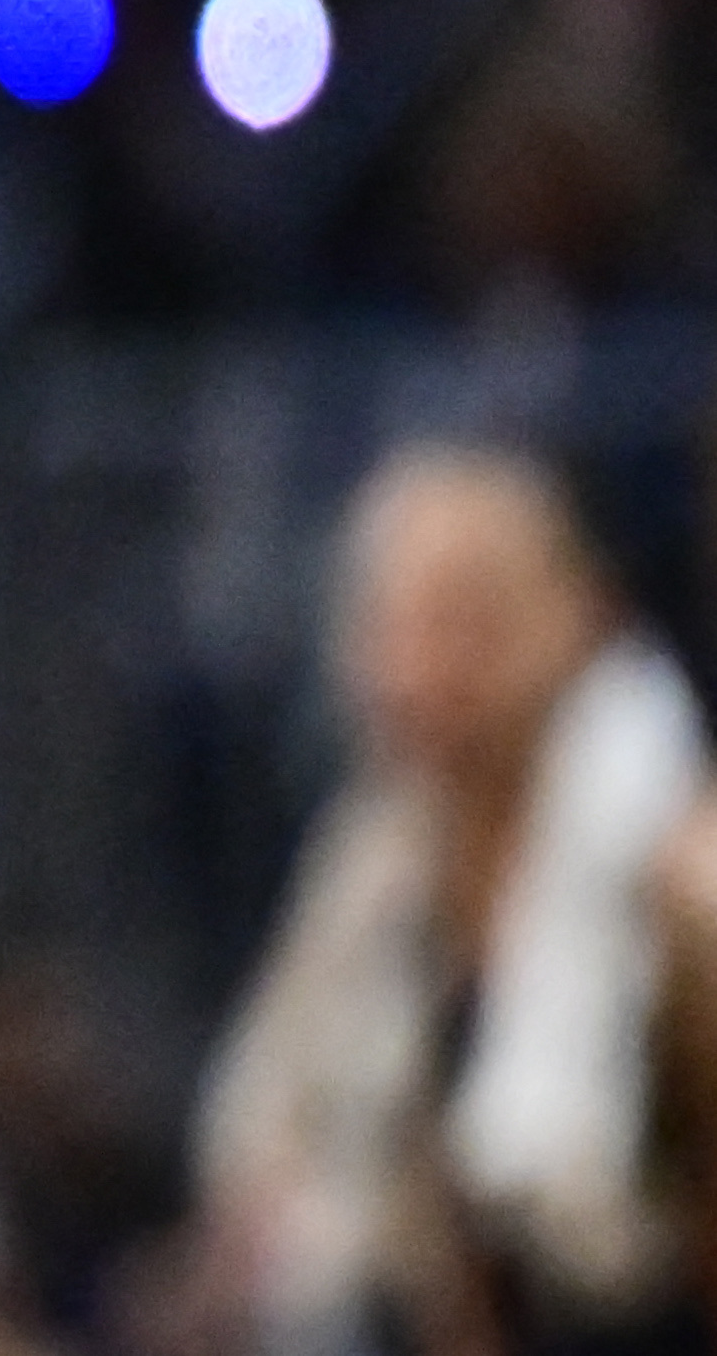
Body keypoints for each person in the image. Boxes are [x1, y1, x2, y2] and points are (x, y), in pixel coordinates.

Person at [194, 446, 717, 1356]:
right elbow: (263, 1139)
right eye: (389, 620)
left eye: (464, 617)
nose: (416, 664)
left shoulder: (678, 878)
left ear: (582, 617)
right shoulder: (369, 872)